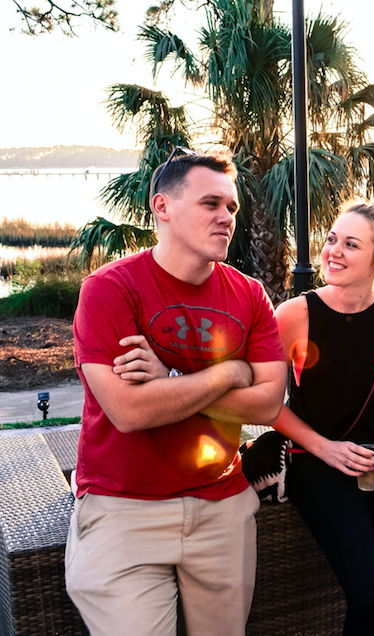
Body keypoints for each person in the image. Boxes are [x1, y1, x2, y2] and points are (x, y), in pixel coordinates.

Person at [65, 149, 287, 636]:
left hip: (222, 506)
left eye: (231, 207)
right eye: (211, 203)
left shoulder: (249, 294)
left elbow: (270, 403)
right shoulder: (110, 289)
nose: (227, 217)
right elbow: (128, 410)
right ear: (162, 207)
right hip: (125, 511)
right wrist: (230, 374)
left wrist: (167, 380)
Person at [273, 199, 374, 636]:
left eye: (350, 244)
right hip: (319, 463)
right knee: (371, 597)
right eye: (331, 239)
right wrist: (326, 449)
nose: (332, 252)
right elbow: (269, 405)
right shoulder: (294, 315)